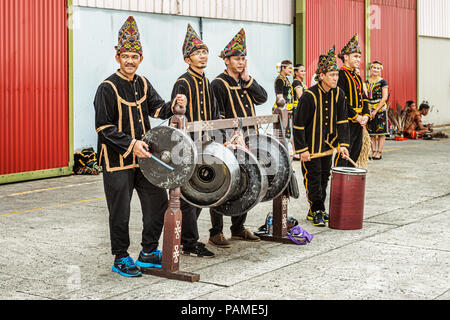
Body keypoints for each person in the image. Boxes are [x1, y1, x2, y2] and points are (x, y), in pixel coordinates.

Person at [94, 16, 187, 277]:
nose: (130, 61)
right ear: (117, 56)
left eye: (135, 56)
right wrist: (131, 144)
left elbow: (158, 108)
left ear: (141, 58)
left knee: (157, 202)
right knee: (120, 211)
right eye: (126, 56)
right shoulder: (107, 88)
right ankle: (120, 256)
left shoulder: (143, 83)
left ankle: (147, 252)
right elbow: (103, 127)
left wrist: (175, 105)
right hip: (117, 161)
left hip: (144, 159)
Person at [208, 28, 268, 248]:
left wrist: (248, 79)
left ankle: (238, 228)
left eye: (243, 58)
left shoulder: (245, 82)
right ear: (226, 60)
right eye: (236, 58)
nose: (241, 62)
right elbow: (218, 115)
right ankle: (216, 232)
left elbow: (263, 98)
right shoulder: (218, 83)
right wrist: (227, 140)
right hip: (228, 142)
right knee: (223, 185)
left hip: (250, 141)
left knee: (246, 184)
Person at [170, 24, 221, 258]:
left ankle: (188, 241)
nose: (202, 56)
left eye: (204, 52)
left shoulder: (206, 81)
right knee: (188, 197)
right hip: (186, 148)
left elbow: (213, 112)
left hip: (204, 145)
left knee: (200, 193)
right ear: (187, 58)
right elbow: (176, 117)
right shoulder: (183, 82)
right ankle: (189, 244)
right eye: (197, 53)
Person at [293, 46, 350, 227]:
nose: (335, 78)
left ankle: (316, 209)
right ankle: (317, 209)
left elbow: (342, 121)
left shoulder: (339, 94)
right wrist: (302, 149)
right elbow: (298, 125)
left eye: (337, 75)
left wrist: (343, 144)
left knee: (325, 177)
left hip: (328, 146)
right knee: (313, 178)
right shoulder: (309, 96)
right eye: (332, 75)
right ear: (322, 75)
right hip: (310, 148)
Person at [336, 34, 371, 167]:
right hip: (346, 123)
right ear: (346, 57)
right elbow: (342, 100)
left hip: (359, 123)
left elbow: (364, 97)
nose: (358, 59)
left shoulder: (356, 76)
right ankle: (339, 185)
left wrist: (366, 115)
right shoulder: (341, 75)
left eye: (359, 57)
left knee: (355, 154)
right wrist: (356, 116)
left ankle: (348, 185)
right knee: (344, 156)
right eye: (355, 56)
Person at [365, 61, 389, 160]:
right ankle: (373, 151)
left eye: (378, 68)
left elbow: (384, 97)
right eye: (374, 68)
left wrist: (375, 110)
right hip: (370, 108)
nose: (375, 70)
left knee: (381, 132)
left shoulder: (383, 82)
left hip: (380, 109)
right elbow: (365, 96)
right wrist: (369, 109)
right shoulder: (366, 82)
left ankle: (379, 152)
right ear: (370, 69)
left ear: (380, 70)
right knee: (372, 132)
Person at [291, 64, 308, 160]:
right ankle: (295, 152)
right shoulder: (297, 83)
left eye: (304, 71)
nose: (304, 73)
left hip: (301, 109)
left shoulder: (301, 82)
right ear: (296, 72)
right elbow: (301, 97)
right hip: (298, 109)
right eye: (301, 71)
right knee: (297, 130)